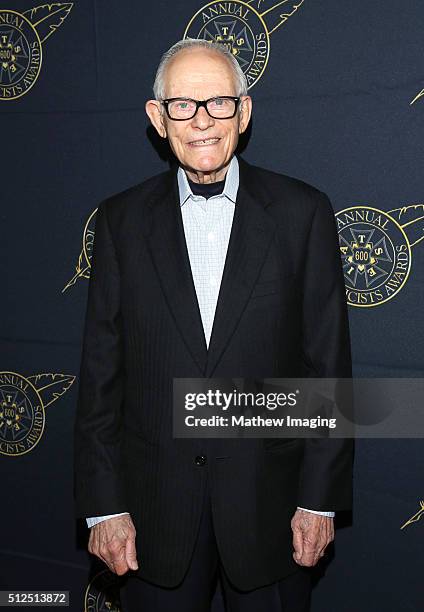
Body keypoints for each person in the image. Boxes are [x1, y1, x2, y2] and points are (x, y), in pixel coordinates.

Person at [73, 38, 353, 612]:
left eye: (219, 103)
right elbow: (103, 374)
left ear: (244, 111)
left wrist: (318, 501)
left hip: (272, 514)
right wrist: (104, 505)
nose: (202, 121)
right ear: (157, 118)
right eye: (182, 105)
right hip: (153, 520)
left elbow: (327, 366)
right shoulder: (120, 222)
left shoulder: (303, 214)